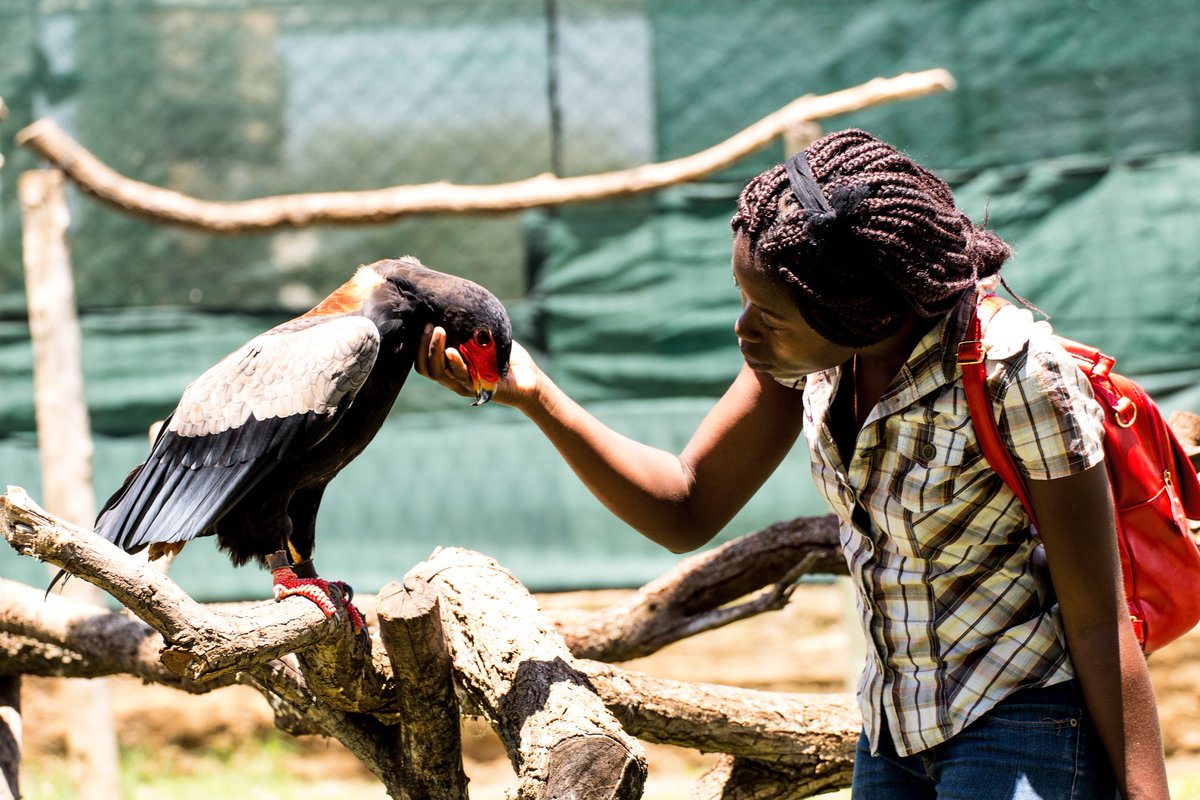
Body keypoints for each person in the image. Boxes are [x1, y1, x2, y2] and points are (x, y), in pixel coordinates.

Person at [417, 128, 1168, 799]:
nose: (744, 329)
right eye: (745, 301)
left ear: (860, 310)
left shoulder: (1014, 373)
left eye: (768, 314)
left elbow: (1100, 620)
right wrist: (535, 393)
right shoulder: (813, 358)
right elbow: (685, 506)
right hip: (893, 734)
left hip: (1024, 719)